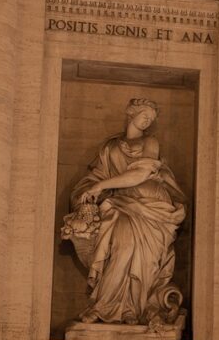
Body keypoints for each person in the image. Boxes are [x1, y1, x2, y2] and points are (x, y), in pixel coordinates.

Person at [62, 98, 187, 326]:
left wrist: (101, 186)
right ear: (131, 114)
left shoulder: (150, 142)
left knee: (145, 258)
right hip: (121, 204)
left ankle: (135, 309)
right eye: (144, 115)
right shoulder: (109, 148)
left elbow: (140, 174)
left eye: (151, 119)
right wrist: (88, 191)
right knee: (123, 246)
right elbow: (95, 178)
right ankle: (105, 307)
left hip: (151, 205)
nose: (148, 121)